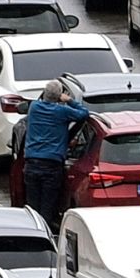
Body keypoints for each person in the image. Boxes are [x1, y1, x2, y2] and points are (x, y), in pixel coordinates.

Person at [21, 79, 89, 227]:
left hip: (32, 163)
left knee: (32, 207)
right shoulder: (63, 111)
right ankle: (45, 232)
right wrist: (69, 100)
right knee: (47, 206)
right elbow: (84, 114)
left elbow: (38, 101)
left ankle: (33, 231)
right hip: (52, 165)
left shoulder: (34, 107)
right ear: (59, 97)